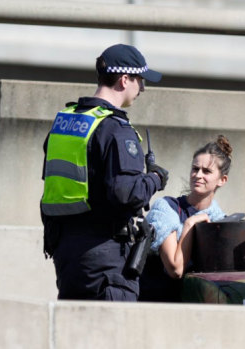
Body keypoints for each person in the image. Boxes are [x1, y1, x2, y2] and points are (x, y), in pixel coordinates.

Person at [41, 44, 169, 301]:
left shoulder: (65, 121)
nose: (142, 88)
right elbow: (125, 194)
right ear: (124, 79)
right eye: (140, 80)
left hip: (67, 254)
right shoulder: (114, 128)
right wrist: (155, 180)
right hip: (106, 259)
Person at [139, 135, 231, 302]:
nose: (198, 175)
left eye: (207, 171)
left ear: (222, 180)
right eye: (195, 169)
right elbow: (175, 269)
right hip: (156, 303)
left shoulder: (220, 220)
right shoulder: (166, 209)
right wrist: (189, 225)